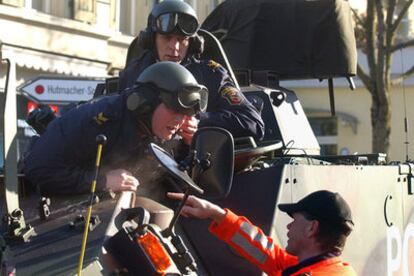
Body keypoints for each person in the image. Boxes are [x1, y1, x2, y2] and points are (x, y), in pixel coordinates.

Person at [24, 62, 208, 196]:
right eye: (175, 109)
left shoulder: (164, 133)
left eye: (186, 114)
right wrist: (101, 181)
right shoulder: (98, 119)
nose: (180, 120)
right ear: (145, 103)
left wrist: (189, 146)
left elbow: (178, 188)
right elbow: (39, 168)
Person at [119, 0, 265, 141]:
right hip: (137, 161)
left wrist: (200, 122)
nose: (174, 47)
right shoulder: (133, 72)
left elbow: (253, 123)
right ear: (151, 39)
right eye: (167, 38)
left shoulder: (211, 74)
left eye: (182, 39)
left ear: (192, 42)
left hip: (194, 160)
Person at [168, 190, 356, 275]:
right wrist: (215, 213)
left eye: (294, 221)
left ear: (312, 228)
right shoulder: (329, 268)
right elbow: (268, 253)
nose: (289, 227)